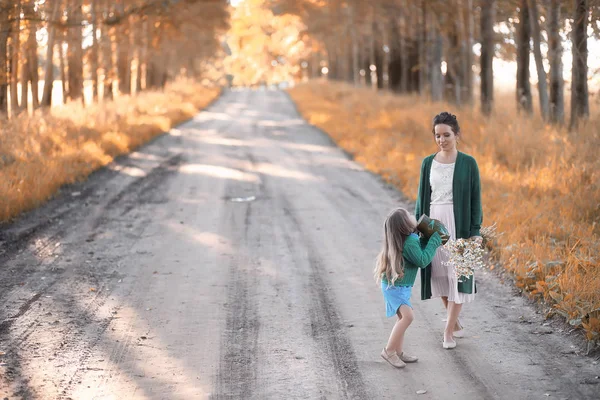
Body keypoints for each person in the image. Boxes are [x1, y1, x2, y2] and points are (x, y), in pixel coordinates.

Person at [415, 111, 483, 349]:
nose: (442, 140)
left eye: (446, 135)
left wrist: (475, 231)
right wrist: (419, 228)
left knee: (459, 275)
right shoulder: (427, 163)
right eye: (437, 135)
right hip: (434, 224)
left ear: (456, 134)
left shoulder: (468, 163)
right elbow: (422, 199)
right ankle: (455, 322)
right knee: (440, 275)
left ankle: (448, 332)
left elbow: (476, 199)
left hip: (459, 224)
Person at [374, 207, 444, 368]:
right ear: (405, 224)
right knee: (408, 317)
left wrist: (425, 239)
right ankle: (389, 351)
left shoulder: (406, 239)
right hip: (396, 288)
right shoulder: (410, 241)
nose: (413, 216)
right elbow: (422, 260)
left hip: (396, 286)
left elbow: (418, 252)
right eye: (409, 215)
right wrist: (434, 240)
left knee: (402, 317)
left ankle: (398, 352)